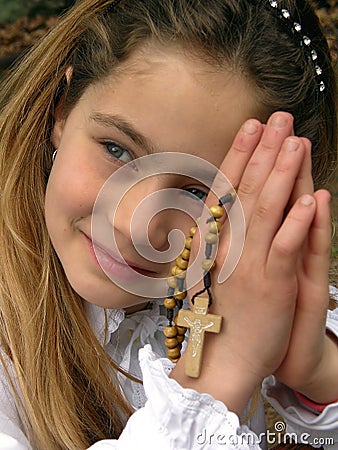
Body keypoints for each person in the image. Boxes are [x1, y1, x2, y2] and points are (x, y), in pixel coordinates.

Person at [0, 0, 337, 448]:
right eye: (116, 150)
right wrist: (220, 375)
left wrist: (317, 373)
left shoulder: (238, 296)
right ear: (62, 109)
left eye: (198, 193)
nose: (133, 225)